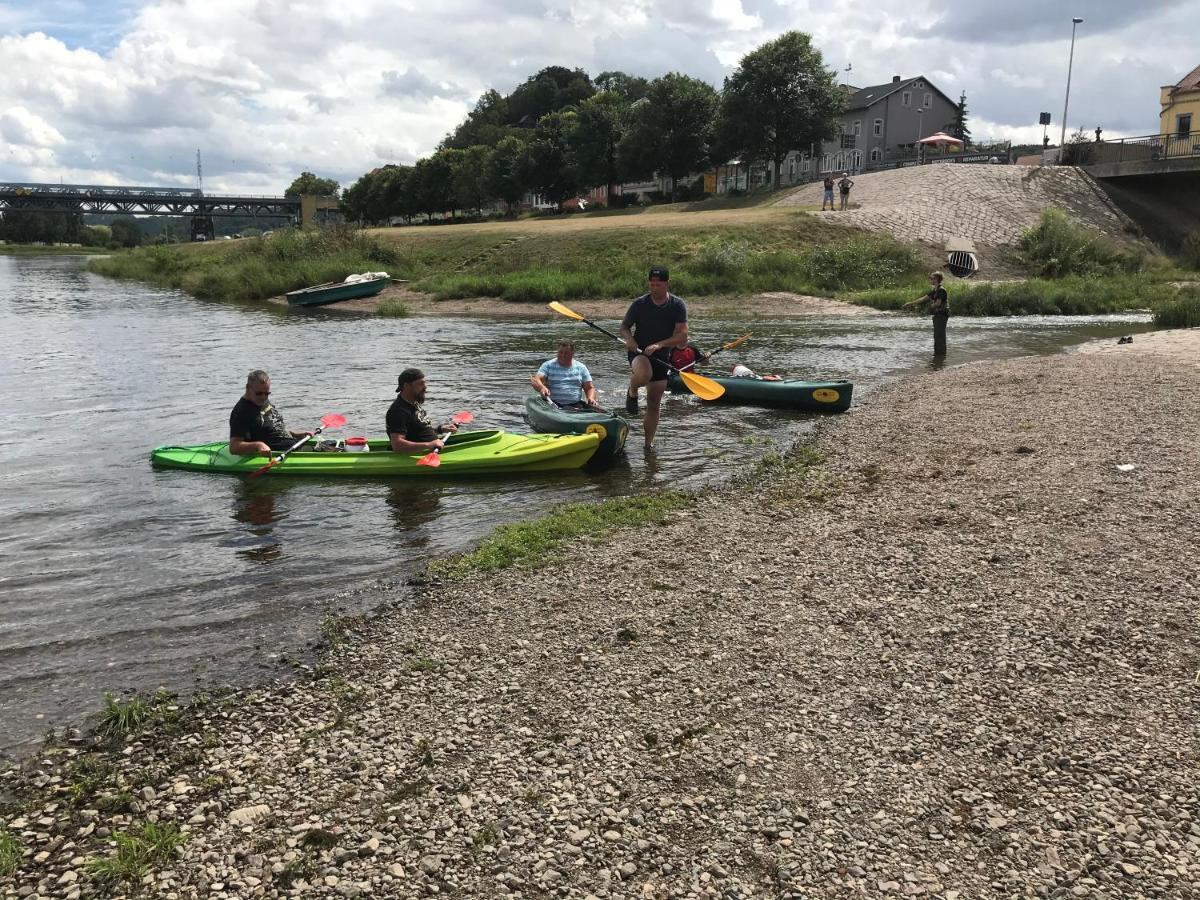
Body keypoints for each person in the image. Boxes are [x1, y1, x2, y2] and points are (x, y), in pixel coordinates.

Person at [619, 265, 689, 449]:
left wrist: (660, 345)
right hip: (638, 352)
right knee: (645, 374)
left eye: (658, 285)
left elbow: (682, 335)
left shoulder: (677, 305)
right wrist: (630, 340)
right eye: (651, 284)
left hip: (661, 356)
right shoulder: (639, 304)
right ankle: (632, 390)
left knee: (654, 404)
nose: (654, 289)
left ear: (667, 284)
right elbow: (624, 328)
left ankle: (648, 444)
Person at [228, 369, 312, 456]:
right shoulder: (241, 411)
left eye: (267, 393)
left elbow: (272, 428)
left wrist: (295, 434)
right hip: (280, 452)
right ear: (248, 388)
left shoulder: (260, 399)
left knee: (326, 445)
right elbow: (234, 447)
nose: (263, 397)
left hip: (292, 444)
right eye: (259, 393)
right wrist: (258, 445)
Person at [386, 368, 460, 453]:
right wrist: (429, 445)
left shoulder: (414, 402)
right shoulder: (398, 411)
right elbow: (397, 445)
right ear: (406, 386)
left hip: (434, 448)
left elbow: (418, 431)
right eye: (420, 384)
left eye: (425, 383)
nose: (425, 387)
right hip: (418, 455)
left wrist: (440, 430)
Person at [531, 339, 598, 408]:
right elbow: (535, 380)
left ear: (572, 353)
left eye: (566, 353)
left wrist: (591, 398)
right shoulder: (548, 365)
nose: (563, 355)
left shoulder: (581, 367)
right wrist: (542, 388)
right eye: (560, 352)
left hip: (575, 405)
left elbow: (589, 388)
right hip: (552, 404)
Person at [903, 271, 950, 355]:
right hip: (937, 315)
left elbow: (938, 303)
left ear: (937, 279)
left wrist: (930, 307)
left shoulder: (941, 290)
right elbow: (923, 299)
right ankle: (938, 356)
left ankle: (941, 355)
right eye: (930, 278)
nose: (930, 280)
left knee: (939, 335)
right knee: (937, 336)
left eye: (932, 278)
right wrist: (910, 303)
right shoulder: (935, 290)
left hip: (941, 315)